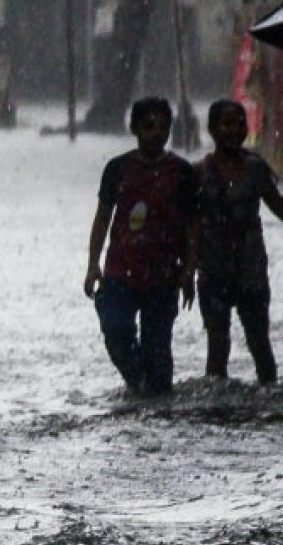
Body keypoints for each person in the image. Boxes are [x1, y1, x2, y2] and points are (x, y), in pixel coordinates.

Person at [83, 97, 201, 397]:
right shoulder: (118, 169)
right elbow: (102, 220)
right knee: (116, 330)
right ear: (134, 128)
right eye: (148, 126)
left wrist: (189, 271)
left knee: (158, 353)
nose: (156, 134)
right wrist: (92, 264)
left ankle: (156, 401)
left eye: (163, 127)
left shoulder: (181, 173)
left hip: (163, 276)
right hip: (120, 271)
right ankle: (137, 385)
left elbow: (192, 227)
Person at [195, 99, 283, 385]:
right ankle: (218, 412)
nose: (234, 130)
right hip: (213, 271)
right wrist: (187, 268)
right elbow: (190, 224)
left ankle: (265, 402)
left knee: (260, 346)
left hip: (252, 272)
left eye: (240, 123)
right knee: (217, 349)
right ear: (211, 130)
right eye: (226, 124)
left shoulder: (256, 169)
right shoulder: (199, 173)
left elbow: (282, 210)